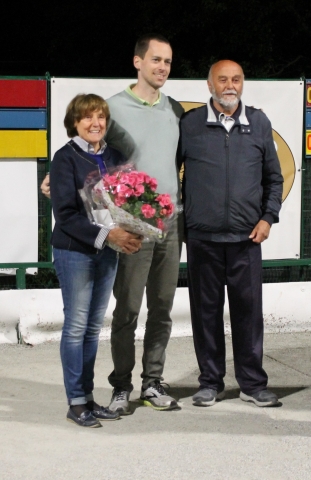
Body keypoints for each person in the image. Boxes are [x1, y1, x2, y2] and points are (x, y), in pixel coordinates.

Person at [42, 34, 184, 413]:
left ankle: (152, 383)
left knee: (162, 308)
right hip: (129, 228)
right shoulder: (113, 108)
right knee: (127, 310)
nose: (162, 67)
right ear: (138, 62)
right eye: (155, 59)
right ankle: (120, 386)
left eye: (168, 61)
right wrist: (54, 180)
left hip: (171, 224)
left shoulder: (175, 109)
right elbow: (85, 153)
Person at [179, 60, 283, 407]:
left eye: (236, 79)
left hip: (246, 240)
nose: (230, 85)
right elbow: (167, 173)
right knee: (205, 314)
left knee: (248, 315)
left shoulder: (259, 122)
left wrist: (268, 217)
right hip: (202, 240)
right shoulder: (190, 124)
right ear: (209, 85)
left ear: (243, 84)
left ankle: (252, 385)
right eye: (222, 79)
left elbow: (274, 178)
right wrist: (183, 224)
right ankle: (210, 382)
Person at [50, 93, 142, 428]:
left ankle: (87, 398)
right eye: (87, 117)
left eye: (100, 117)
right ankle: (75, 402)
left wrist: (136, 226)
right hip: (75, 251)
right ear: (74, 122)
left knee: (91, 329)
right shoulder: (65, 158)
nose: (95, 123)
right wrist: (108, 236)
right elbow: (65, 215)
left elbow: (127, 202)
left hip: (107, 252)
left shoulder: (115, 156)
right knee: (75, 328)